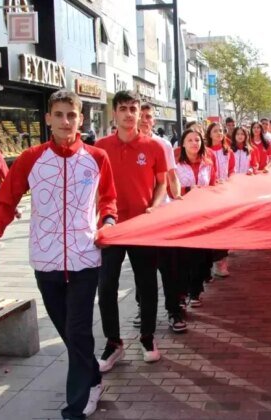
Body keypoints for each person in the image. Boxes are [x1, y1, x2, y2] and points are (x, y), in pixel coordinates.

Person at [0, 90, 117, 419]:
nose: (66, 121)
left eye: (72, 115)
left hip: (85, 258)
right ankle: (93, 379)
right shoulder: (30, 158)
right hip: (46, 260)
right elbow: (5, 202)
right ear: (48, 118)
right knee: (69, 332)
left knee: (79, 329)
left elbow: (108, 200)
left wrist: (108, 221)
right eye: (59, 114)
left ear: (81, 119)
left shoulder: (97, 158)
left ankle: (76, 407)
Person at [94, 91, 169, 372]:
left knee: (147, 284)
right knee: (106, 286)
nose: (128, 113)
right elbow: (91, 187)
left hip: (142, 227)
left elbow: (162, 183)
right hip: (111, 227)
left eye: (133, 109)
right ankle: (113, 342)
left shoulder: (154, 147)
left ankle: (147, 338)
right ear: (114, 112)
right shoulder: (100, 148)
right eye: (123, 108)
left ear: (140, 113)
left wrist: (155, 205)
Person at [139, 103, 187, 335]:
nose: (144, 120)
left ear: (154, 121)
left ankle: (174, 310)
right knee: (142, 268)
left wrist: (177, 197)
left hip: (162, 216)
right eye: (141, 116)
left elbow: (172, 176)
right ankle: (143, 307)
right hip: (138, 219)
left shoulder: (163, 145)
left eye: (148, 117)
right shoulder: (119, 146)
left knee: (169, 267)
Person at [174, 129, 217, 306]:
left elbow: (213, 185)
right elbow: (171, 189)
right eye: (190, 140)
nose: (194, 143)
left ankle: (195, 291)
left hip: (203, 214)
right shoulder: (176, 164)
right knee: (183, 256)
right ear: (183, 143)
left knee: (200, 256)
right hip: (182, 215)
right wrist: (188, 191)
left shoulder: (208, 163)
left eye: (197, 140)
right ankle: (182, 292)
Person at [205, 122, 234, 277]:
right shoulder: (205, 151)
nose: (219, 133)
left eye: (221, 131)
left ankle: (221, 262)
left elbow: (232, 171)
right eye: (215, 131)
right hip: (209, 194)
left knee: (224, 227)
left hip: (225, 194)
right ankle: (209, 262)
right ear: (209, 134)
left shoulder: (227, 151)